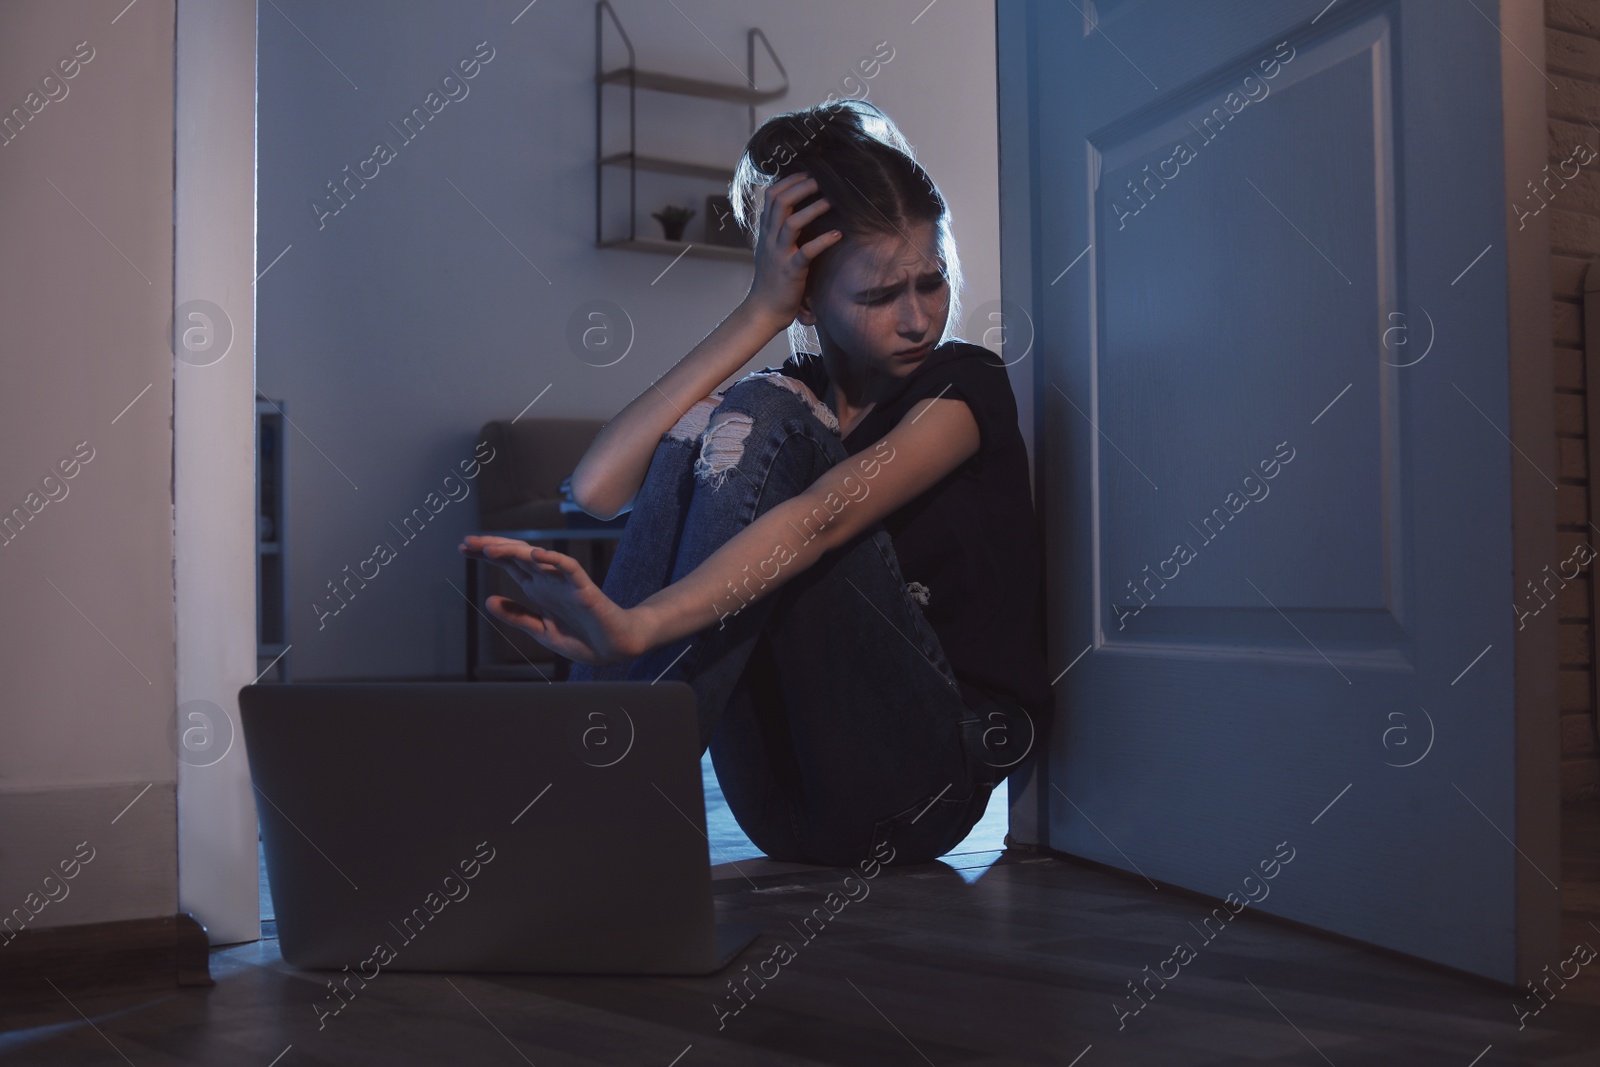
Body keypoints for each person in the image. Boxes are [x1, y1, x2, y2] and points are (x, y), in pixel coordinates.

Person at [460, 99, 1051, 867]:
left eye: (931, 283)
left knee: (764, 407)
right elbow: (598, 489)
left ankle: (582, 829)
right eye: (879, 295)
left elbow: (821, 520)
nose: (917, 319)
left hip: (921, 783)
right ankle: (579, 800)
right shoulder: (783, 403)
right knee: (710, 417)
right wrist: (757, 314)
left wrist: (636, 627)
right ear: (807, 297)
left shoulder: (964, 387)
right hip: (785, 798)